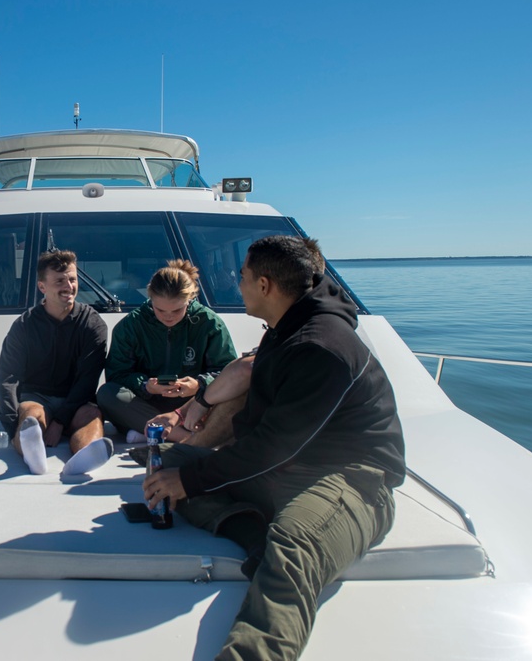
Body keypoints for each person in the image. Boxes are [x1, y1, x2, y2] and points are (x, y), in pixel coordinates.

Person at [143, 235, 405, 661]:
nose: (237, 282)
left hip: (352, 480)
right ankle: (255, 539)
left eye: (242, 276)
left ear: (265, 285)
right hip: (289, 471)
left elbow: (272, 448)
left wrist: (191, 480)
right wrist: (187, 462)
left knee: (294, 542)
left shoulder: (322, 346)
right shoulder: (288, 329)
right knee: (170, 468)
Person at [0, 250, 113, 476]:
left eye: (72, 279)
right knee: (30, 415)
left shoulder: (93, 325)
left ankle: (83, 459)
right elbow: (8, 379)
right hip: (38, 398)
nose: (69, 286)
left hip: (77, 400)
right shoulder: (24, 326)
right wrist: (13, 429)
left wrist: (60, 422)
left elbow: (88, 380)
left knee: (92, 417)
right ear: (42, 287)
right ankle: (33, 457)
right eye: (60, 281)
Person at [96, 260, 238, 442]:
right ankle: (186, 437)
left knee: (235, 393)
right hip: (146, 404)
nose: (168, 316)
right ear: (150, 299)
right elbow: (117, 375)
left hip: (192, 405)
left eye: (177, 310)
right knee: (107, 394)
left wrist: (199, 385)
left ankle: (150, 431)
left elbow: (227, 372)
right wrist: (145, 386)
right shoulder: (131, 325)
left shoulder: (209, 323)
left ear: (190, 299)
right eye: (160, 310)